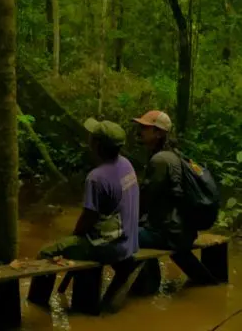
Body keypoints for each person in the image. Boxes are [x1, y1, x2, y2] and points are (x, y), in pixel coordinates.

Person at [38, 119, 139, 264]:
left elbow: (88, 218)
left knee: (46, 251)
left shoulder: (96, 178)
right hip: (129, 241)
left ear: (96, 145)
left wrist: (74, 237)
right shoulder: (126, 164)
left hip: (111, 249)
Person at [133, 110, 197, 252]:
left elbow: (144, 201)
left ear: (159, 133)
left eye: (145, 128)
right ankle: (150, 269)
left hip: (169, 235)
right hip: (182, 232)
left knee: (117, 236)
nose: (140, 131)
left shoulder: (160, 160)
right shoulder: (175, 155)